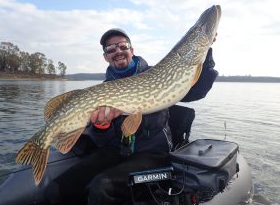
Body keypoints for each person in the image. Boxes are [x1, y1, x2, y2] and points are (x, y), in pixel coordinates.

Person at [46, 28, 218, 205]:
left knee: (102, 187)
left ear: (131, 50)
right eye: (111, 49)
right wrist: (102, 126)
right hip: (117, 152)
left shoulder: (159, 74)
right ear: (106, 57)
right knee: (57, 189)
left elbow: (197, 91)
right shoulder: (104, 90)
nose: (118, 51)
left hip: (153, 154)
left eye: (122, 46)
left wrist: (206, 55)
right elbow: (103, 142)